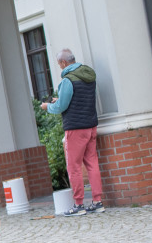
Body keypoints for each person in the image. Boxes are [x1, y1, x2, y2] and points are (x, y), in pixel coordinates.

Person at [40, 49, 106, 216]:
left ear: (63, 63)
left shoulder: (68, 80)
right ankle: (98, 202)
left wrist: (48, 107)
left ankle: (78, 205)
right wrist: (60, 100)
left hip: (76, 128)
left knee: (74, 167)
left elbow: (61, 107)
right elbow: (74, 98)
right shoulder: (88, 76)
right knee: (92, 164)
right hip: (91, 126)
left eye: (58, 64)